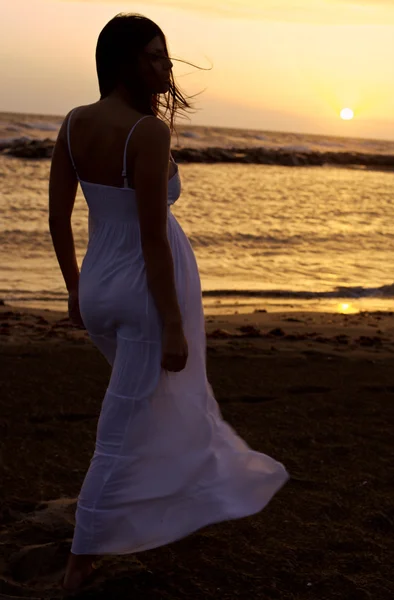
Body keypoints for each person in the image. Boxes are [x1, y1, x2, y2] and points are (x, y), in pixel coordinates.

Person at [48, 12, 289, 593]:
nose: (167, 66)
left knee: (146, 407)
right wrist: (174, 325)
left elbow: (58, 217)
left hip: (103, 286)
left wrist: (76, 288)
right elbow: (154, 237)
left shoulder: (75, 121)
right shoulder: (146, 133)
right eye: (155, 56)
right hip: (145, 295)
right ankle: (82, 557)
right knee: (120, 426)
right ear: (127, 61)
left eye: (167, 56)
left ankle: (155, 506)